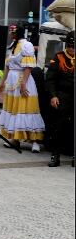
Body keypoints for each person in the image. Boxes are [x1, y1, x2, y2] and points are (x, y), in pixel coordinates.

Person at [0, 25, 45, 152]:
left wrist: (23, 84)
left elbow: (28, 67)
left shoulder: (26, 45)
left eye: (13, 32)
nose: (11, 33)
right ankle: (15, 139)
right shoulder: (13, 45)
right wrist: (2, 83)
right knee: (14, 110)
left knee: (26, 108)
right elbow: (8, 66)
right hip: (12, 82)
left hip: (24, 80)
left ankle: (35, 141)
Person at [43, 30, 74, 167]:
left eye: (74, 46)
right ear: (66, 45)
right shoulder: (58, 57)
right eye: (70, 45)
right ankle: (55, 156)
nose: (72, 49)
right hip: (63, 96)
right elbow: (50, 80)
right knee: (59, 127)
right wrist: (53, 96)